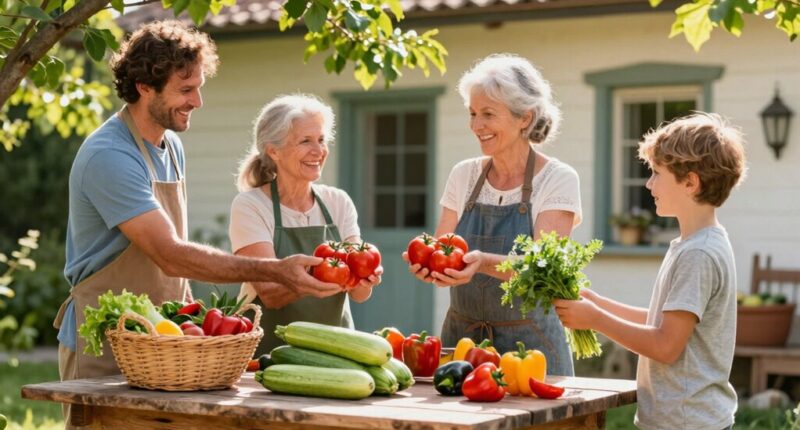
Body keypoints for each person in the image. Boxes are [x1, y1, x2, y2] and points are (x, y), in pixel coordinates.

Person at [55, 21, 336, 428]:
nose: (198, 101)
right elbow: (169, 254)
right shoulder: (110, 155)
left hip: (164, 340)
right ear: (144, 86)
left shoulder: (172, 147)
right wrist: (273, 270)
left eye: (199, 87)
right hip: (104, 341)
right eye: (186, 90)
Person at [554, 113, 746, 430]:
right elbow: (665, 323)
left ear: (690, 182)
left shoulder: (697, 253)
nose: (648, 183)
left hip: (686, 423)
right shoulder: (695, 244)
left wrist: (595, 319)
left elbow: (665, 346)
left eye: (656, 173)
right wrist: (599, 302)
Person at [404, 54, 582, 376]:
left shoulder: (557, 179)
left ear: (524, 118)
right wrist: (429, 266)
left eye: (488, 114)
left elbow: (541, 271)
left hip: (531, 348)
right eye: (473, 114)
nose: (476, 126)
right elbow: (442, 246)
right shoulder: (463, 175)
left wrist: (482, 263)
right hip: (462, 345)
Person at [230, 94, 382, 354]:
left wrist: (366, 279)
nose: (319, 151)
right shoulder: (251, 206)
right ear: (273, 150)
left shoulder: (338, 202)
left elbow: (359, 295)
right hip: (270, 355)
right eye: (305, 141)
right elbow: (271, 293)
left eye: (321, 140)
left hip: (338, 351)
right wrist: (332, 273)